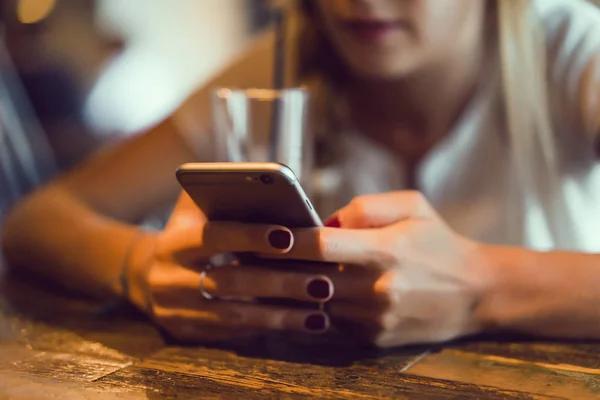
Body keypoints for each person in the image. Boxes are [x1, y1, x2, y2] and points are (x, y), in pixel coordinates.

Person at [2, 0, 600, 348]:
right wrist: (143, 269)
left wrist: (478, 287)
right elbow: (37, 219)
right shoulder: (288, 62)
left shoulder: (572, 48)